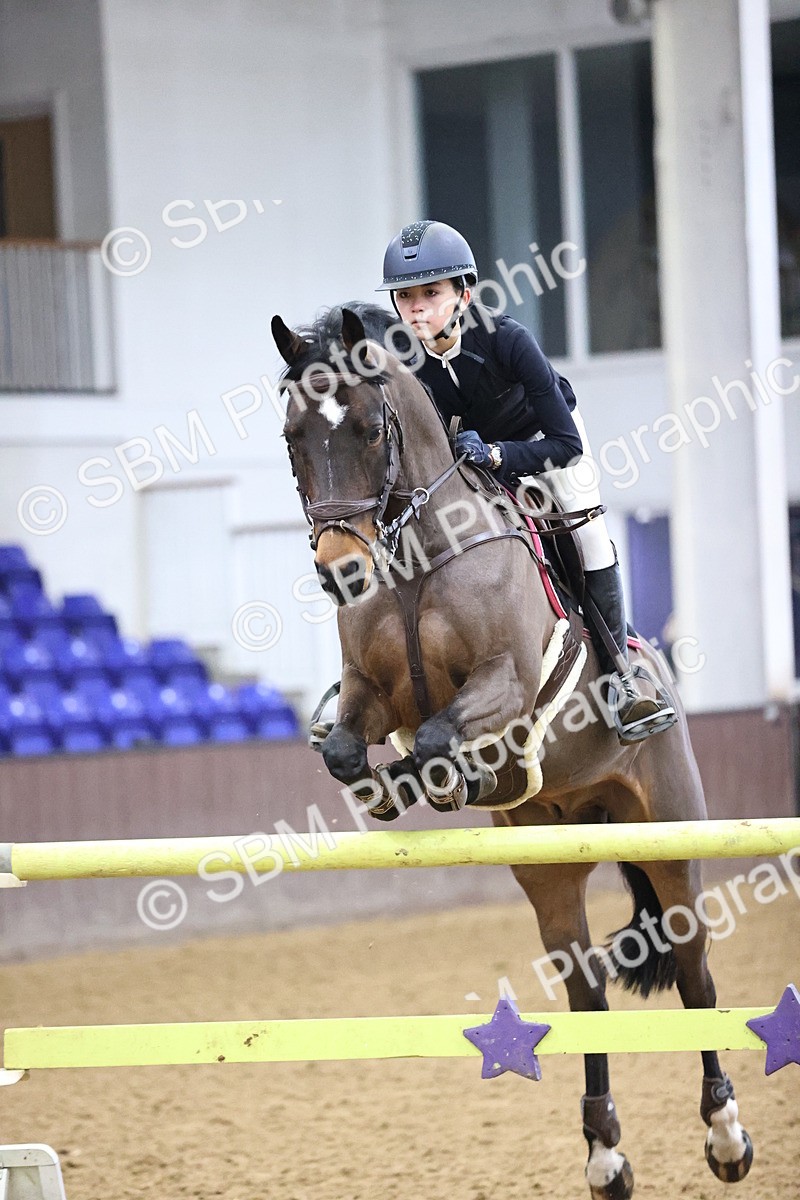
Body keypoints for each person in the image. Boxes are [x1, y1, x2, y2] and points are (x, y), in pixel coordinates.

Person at [377, 219, 676, 743]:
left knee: (587, 535)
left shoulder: (509, 340)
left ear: (464, 294)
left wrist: (496, 454)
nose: (416, 308)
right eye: (405, 297)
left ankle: (621, 677)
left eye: (431, 293)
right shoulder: (407, 361)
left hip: (547, 441)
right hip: (474, 455)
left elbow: (567, 444)